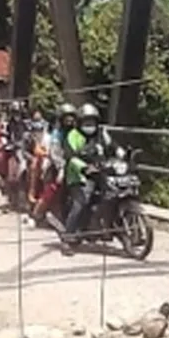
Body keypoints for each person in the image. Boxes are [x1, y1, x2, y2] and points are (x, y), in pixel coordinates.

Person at [62, 103, 115, 244]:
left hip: (99, 173)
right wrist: (84, 168)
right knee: (80, 203)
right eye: (86, 122)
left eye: (92, 122)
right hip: (78, 176)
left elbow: (112, 147)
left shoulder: (101, 134)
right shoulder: (73, 136)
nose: (90, 125)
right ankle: (67, 236)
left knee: (112, 193)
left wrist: (122, 153)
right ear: (79, 123)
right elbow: (70, 156)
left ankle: (106, 227)